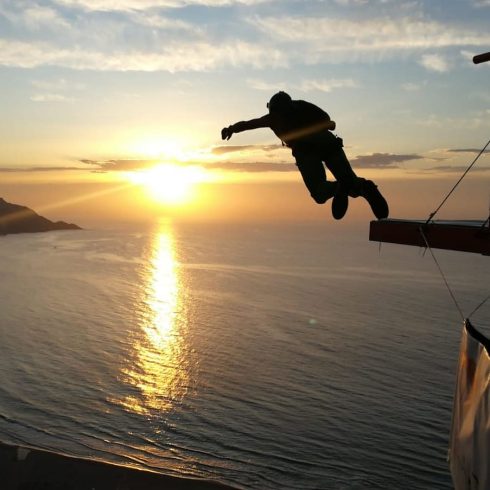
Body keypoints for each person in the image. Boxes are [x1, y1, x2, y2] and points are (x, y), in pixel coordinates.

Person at [221, 91, 389, 220]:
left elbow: (248, 124)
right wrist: (322, 126)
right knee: (351, 183)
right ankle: (365, 187)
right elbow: (328, 120)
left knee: (319, 192)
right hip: (329, 143)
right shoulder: (302, 105)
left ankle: (338, 188)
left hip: (306, 150)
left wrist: (231, 129)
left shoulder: (272, 118)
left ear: (272, 107)